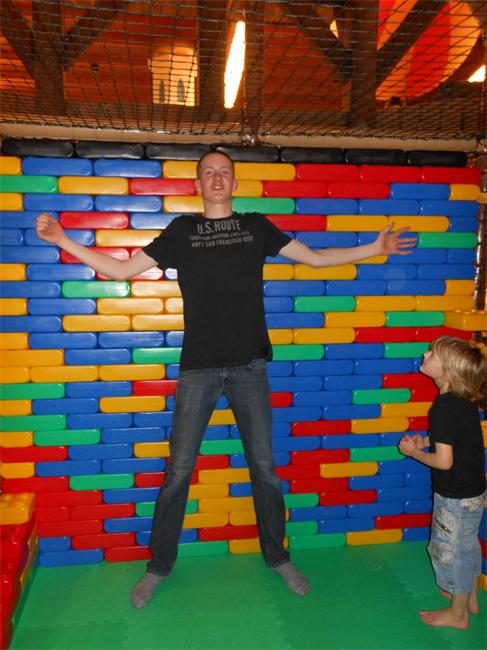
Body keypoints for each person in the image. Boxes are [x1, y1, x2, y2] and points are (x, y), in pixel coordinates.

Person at [36, 150, 417, 608]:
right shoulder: (182, 231)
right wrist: (63, 238)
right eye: (209, 173)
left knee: (265, 469)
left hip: (249, 368)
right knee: (179, 471)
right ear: (198, 184)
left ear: (235, 183)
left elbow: (315, 259)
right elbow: (119, 270)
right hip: (198, 369)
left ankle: (278, 557)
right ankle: (158, 566)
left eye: (224, 172)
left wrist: (374, 248)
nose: (217, 178)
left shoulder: (255, 227)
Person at [399, 336, 486, 630]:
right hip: (474, 492)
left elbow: (444, 461)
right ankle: (468, 595)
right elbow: (457, 440)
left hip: (455, 498)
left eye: (432, 354)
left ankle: (458, 615)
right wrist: (427, 442)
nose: (425, 354)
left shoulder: (442, 408)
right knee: (467, 545)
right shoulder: (464, 400)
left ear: (447, 373)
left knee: (450, 553)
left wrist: (413, 452)